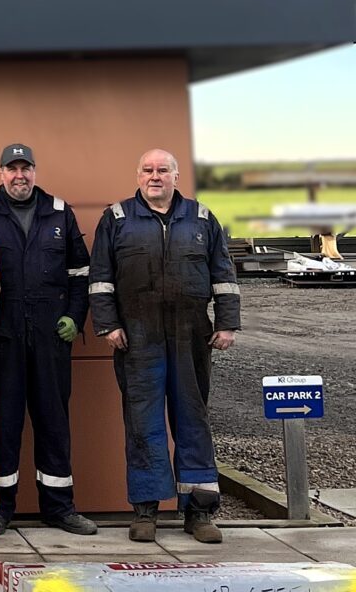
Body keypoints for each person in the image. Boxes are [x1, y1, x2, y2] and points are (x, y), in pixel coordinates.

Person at [89, 149, 240, 545]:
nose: (154, 176)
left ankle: (199, 511)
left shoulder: (202, 219)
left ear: (176, 176)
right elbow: (101, 277)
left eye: (162, 170)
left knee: (193, 418)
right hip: (137, 336)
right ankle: (146, 509)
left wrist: (227, 323)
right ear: (138, 176)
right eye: (147, 170)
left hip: (191, 335)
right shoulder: (117, 218)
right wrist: (107, 324)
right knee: (143, 422)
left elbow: (224, 274)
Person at [0, 144, 96, 536]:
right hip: (2, 337)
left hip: (50, 337)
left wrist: (75, 317)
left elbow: (80, 274)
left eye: (25, 168)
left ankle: (59, 508)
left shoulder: (58, 212)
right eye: (12, 169)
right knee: (2, 426)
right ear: (0, 173)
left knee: (53, 422)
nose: (19, 176)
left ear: (35, 172)